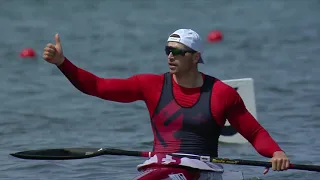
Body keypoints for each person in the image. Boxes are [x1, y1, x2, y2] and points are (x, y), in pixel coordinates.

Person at [43, 28, 290, 180]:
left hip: (203, 172)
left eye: (178, 52)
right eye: (168, 50)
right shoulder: (150, 85)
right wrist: (63, 63)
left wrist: (276, 153)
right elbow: (97, 87)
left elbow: (254, 132)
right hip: (161, 169)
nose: (171, 56)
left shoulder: (221, 93)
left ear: (196, 57)